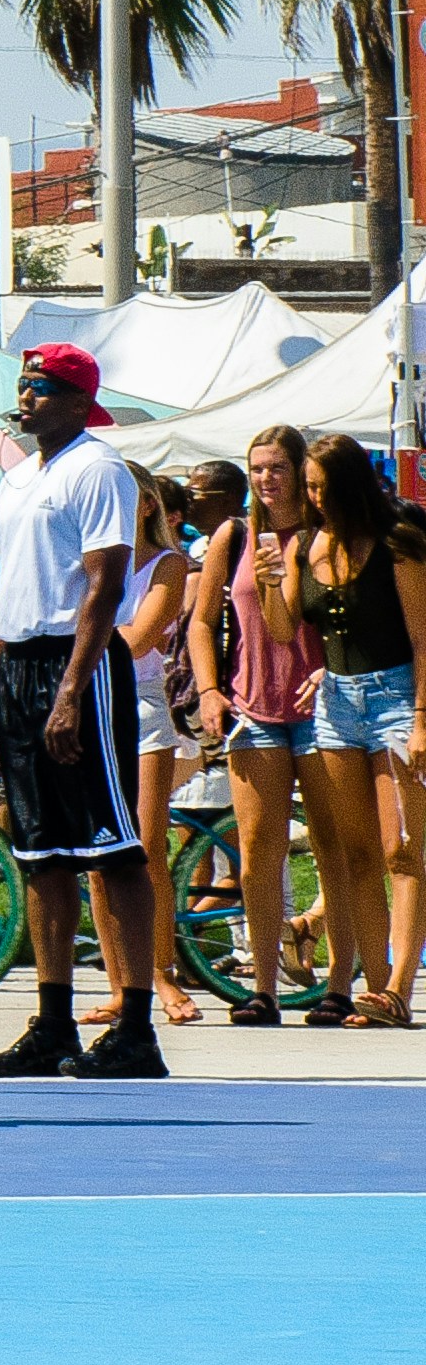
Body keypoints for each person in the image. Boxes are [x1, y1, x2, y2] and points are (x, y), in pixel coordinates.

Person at [0, 343, 160, 1079]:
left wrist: (72, 691)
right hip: (18, 666)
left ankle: (135, 1024)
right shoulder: (19, 479)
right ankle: (52, 1023)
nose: (27, 397)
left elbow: (104, 586)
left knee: (111, 849)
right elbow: (9, 598)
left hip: (76, 663)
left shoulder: (97, 468)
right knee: (40, 855)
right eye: (23, 386)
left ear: (79, 402)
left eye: (42, 387)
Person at [279, 433, 426, 1032]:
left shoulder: (398, 542)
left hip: (396, 695)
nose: (314, 498)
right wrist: (270, 579)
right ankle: (371, 987)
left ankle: (397, 988)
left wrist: (422, 718)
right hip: (337, 699)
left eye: (322, 486)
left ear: (350, 484)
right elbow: (282, 627)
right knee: (356, 852)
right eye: (308, 488)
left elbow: (423, 638)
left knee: (404, 850)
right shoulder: (305, 545)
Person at [187, 427, 313, 1024]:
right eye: (257, 467)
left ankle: (337, 982)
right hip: (254, 707)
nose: (267, 478)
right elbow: (201, 622)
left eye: (278, 467)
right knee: (258, 851)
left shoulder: (324, 533)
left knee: (339, 848)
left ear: (299, 469)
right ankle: (262, 987)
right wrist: (210, 689)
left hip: (324, 711)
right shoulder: (233, 536)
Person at [121, 472, 205, 1026]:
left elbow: (139, 640)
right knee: (102, 854)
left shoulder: (167, 566)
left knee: (145, 846)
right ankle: (120, 982)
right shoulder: (83, 562)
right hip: (85, 703)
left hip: (142, 703)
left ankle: (161, 973)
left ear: (147, 506)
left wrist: (65, 641)